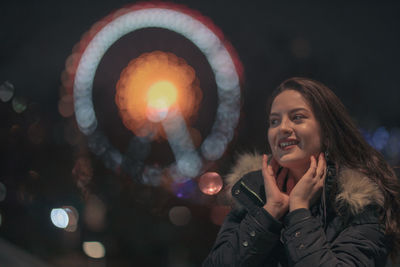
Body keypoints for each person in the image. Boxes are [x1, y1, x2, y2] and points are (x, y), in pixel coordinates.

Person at [202, 77, 400, 266]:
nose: (283, 128)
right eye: (274, 121)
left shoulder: (357, 204)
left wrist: (299, 212)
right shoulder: (251, 194)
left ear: (327, 130)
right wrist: (270, 212)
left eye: (297, 117)